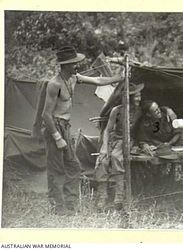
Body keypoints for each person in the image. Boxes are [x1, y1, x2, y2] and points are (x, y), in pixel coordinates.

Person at [41, 46, 124, 215]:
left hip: (65, 126)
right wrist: (57, 137)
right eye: (74, 63)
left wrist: (118, 78)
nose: (78, 65)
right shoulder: (54, 84)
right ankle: (58, 208)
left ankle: (70, 205)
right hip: (53, 128)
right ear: (65, 65)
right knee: (56, 169)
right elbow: (46, 115)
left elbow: (97, 81)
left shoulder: (73, 78)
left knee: (74, 166)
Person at [94, 83, 144, 211]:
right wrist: (104, 147)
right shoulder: (116, 110)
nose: (139, 98)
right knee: (102, 160)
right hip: (113, 139)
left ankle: (119, 197)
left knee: (117, 158)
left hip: (127, 141)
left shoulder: (139, 111)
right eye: (136, 96)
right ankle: (102, 196)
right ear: (129, 97)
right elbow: (107, 130)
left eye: (139, 96)